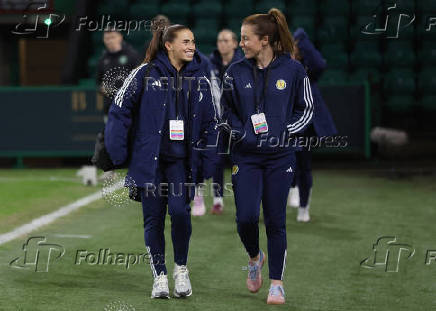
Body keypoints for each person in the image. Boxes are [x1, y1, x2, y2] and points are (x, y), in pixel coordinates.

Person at [104, 24, 217, 299]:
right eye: (186, 41)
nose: (192, 46)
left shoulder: (200, 77)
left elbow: (211, 122)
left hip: (182, 163)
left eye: (193, 41)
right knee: (153, 220)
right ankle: (160, 276)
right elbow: (119, 110)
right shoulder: (145, 73)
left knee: (180, 212)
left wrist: (209, 161)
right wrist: (116, 153)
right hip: (151, 163)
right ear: (169, 45)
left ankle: (181, 269)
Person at [221, 8, 313, 304]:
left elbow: (307, 109)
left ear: (264, 40)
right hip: (245, 157)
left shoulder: (294, 70)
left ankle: (276, 283)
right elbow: (225, 113)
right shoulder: (234, 71)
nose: (241, 43)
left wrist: (285, 132)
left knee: (275, 220)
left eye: (246, 38)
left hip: (280, 157)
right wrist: (242, 134)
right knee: (246, 217)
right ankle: (254, 256)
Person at [287, 28, 337, 223]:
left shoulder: (310, 69)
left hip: (306, 124)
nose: (293, 50)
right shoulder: (281, 67)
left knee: (304, 165)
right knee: (284, 163)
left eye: (296, 48)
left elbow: (320, 63)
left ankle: (304, 206)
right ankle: (291, 190)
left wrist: (299, 37)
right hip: (287, 123)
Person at [96, 30, 141, 123]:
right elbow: (98, 82)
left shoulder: (132, 55)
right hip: (110, 107)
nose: (110, 41)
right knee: (111, 135)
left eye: (112, 37)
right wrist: (102, 88)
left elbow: (140, 79)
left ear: (120, 37)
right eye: (107, 38)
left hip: (130, 107)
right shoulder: (103, 59)